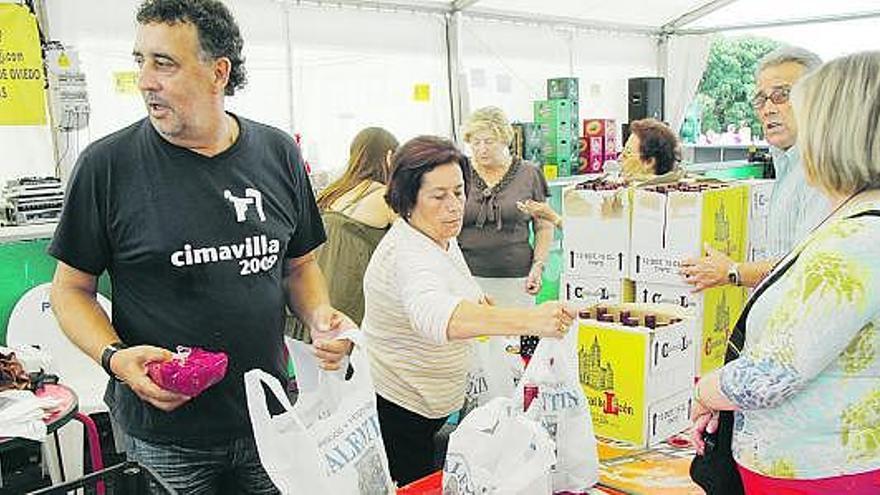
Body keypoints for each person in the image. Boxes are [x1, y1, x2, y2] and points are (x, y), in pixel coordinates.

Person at [47, 1, 353, 492]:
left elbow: (300, 266)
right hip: (167, 437)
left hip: (271, 416)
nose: (145, 80)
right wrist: (115, 357)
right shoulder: (107, 166)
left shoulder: (277, 154)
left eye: (163, 63)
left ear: (218, 73)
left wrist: (319, 317)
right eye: (140, 61)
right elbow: (69, 290)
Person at [690, 51, 880, 493]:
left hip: (818, 471)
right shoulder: (853, 220)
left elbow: (771, 375)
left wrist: (707, 391)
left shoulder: (856, 242)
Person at [362, 135, 576, 486]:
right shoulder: (407, 252)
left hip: (434, 401)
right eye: (438, 196)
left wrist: (483, 309)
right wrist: (530, 321)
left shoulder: (438, 237)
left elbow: (459, 293)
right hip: (400, 406)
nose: (454, 205)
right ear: (407, 200)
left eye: (459, 192)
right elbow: (435, 314)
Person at [680, 47, 829, 292]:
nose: (768, 109)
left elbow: (807, 266)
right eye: (761, 99)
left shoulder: (823, 171)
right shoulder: (786, 165)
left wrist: (733, 271)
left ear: (818, 98)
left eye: (782, 95)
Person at [288, 127, 398, 341]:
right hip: (353, 294)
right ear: (389, 157)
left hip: (315, 288)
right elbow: (413, 241)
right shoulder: (386, 196)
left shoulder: (335, 191)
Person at [459, 106, 553, 306]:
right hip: (466, 277)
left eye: (489, 142)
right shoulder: (459, 171)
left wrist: (538, 265)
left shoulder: (529, 174)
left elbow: (544, 225)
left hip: (517, 277)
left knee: (516, 334)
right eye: (475, 142)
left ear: (504, 140)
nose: (482, 149)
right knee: (474, 336)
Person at [517, 117, 683, 228]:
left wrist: (553, 217)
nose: (620, 160)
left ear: (649, 162)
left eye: (626, 155)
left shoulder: (643, 202)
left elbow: (599, 240)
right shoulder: (673, 192)